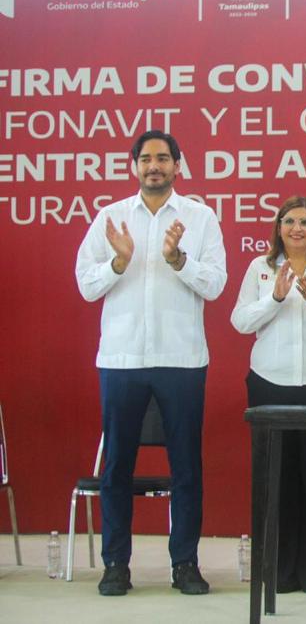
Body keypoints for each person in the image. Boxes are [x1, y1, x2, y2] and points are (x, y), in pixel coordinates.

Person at [75, 129, 227, 596]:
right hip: (121, 358)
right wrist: (118, 263)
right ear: (134, 166)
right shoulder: (111, 217)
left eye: (163, 158)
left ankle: (185, 564)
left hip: (181, 359)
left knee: (187, 468)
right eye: (146, 159)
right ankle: (115, 565)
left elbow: (216, 284)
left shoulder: (200, 218)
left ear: (178, 165)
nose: (154, 166)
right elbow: (86, 285)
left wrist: (179, 259)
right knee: (116, 467)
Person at [231, 196, 306, 593]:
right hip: (269, 381)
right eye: (289, 222)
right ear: (278, 228)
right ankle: (279, 572)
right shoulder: (260, 268)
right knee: (277, 480)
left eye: (304, 222)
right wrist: (275, 298)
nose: (296, 229)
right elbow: (240, 321)